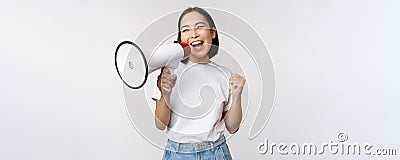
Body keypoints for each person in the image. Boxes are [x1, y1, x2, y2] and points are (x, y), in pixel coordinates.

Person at [152, 7, 245, 159]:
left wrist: (236, 96)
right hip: (177, 154)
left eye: (200, 27)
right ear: (180, 38)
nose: (194, 34)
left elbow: (233, 127)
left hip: (216, 153)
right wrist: (165, 92)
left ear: (212, 33)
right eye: (186, 30)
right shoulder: (167, 72)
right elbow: (160, 125)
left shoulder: (224, 74)